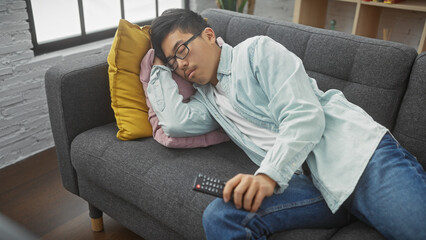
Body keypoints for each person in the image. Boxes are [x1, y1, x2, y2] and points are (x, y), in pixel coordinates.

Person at [147, 8, 426, 240]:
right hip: (307, 184)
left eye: (181, 50)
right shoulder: (206, 100)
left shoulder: (257, 52)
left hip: (355, 158)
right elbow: (173, 122)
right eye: (173, 62)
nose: (180, 65)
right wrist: (159, 63)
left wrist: (267, 176)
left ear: (208, 35)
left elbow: (303, 115)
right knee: (221, 216)